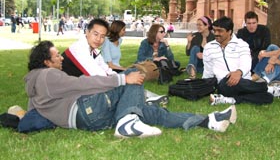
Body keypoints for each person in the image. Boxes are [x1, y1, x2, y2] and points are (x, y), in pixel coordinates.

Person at [24, 41, 237, 138]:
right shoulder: (49, 75)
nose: (61, 57)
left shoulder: (35, 84)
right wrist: (120, 80)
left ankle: (207, 121)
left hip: (88, 120)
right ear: (46, 62)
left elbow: (34, 111)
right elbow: (82, 83)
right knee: (133, 80)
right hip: (86, 112)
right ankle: (127, 124)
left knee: (148, 111)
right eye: (56, 55)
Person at [61, 18, 166, 106]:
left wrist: (123, 77)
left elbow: (106, 69)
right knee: (118, 81)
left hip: (83, 86)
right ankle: (142, 97)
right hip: (68, 94)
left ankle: (142, 95)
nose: (98, 39)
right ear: (87, 32)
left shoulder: (94, 51)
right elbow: (97, 75)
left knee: (128, 73)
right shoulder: (79, 49)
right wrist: (124, 79)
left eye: (102, 36)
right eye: (95, 34)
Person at [203, 16, 273, 105]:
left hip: (244, 82)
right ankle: (268, 88)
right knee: (227, 80)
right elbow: (208, 71)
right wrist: (206, 86)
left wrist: (238, 72)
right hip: (224, 85)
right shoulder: (209, 47)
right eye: (214, 30)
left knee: (268, 97)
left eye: (220, 31)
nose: (216, 33)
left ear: (229, 32)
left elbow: (246, 63)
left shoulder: (242, 45)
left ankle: (229, 100)